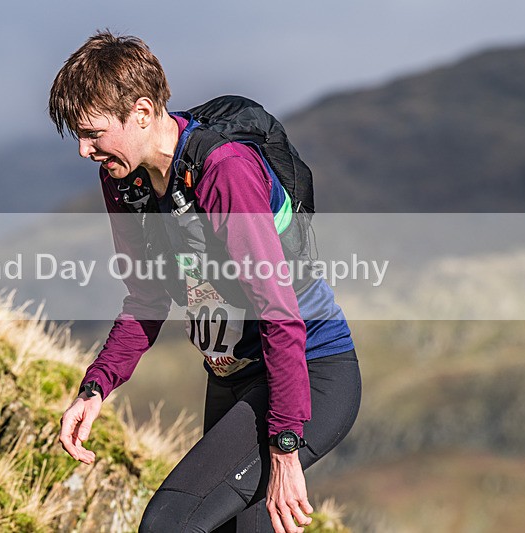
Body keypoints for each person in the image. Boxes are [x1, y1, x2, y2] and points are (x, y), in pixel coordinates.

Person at [48, 30, 361, 533]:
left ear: (142, 112)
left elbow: (279, 312)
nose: (84, 150)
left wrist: (285, 448)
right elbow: (146, 298)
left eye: (93, 133)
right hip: (231, 377)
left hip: (308, 371)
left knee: (168, 523)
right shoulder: (123, 182)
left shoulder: (224, 171)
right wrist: (95, 388)